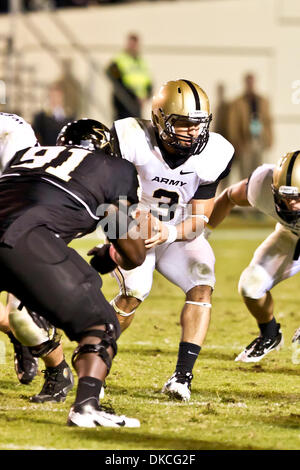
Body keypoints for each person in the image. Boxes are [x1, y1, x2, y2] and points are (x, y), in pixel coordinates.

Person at [91, 79, 234, 401]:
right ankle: (94, 367)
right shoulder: (131, 138)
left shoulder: (216, 152)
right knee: (134, 293)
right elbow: (106, 192)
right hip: (132, 225)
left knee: (202, 281)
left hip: (176, 229)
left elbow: (200, 219)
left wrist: (169, 232)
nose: (192, 132)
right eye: (182, 123)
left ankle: (182, 377)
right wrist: (123, 228)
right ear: (159, 118)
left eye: (198, 124)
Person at [0, 118, 145, 427]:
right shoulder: (113, 168)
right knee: (101, 323)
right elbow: (134, 254)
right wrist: (109, 255)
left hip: (18, 232)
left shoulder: (25, 156)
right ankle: (87, 406)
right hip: (24, 240)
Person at [0, 112, 74, 401]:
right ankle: (16, 334)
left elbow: (22, 190)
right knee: (11, 321)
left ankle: (57, 371)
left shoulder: (11, 130)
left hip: (19, 223)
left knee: (22, 318)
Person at [206, 151, 300, 362]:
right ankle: (269, 334)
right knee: (250, 286)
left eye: (298, 198)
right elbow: (229, 196)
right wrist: (204, 232)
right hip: (290, 235)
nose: (292, 205)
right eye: (286, 198)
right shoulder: (262, 185)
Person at [227, 73, 273, 181]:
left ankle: (258, 194)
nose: (250, 84)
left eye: (252, 82)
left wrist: (270, 138)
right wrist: (235, 142)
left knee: (260, 170)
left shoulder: (262, 100)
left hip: (259, 139)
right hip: (245, 141)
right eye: (248, 82)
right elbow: (232, 124)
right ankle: (245, 195)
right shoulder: (237, 102)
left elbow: (268, 121)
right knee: (245, 172)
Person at [106, 33, 153, 120]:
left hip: (137, 103)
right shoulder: (120, 59)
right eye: (130, 44)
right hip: (124, 101)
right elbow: (113, 77)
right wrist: (132, 95)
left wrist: (147, 95)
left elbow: (147, 80)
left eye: (134, 44)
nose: (132, 47)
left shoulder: (141, 61)